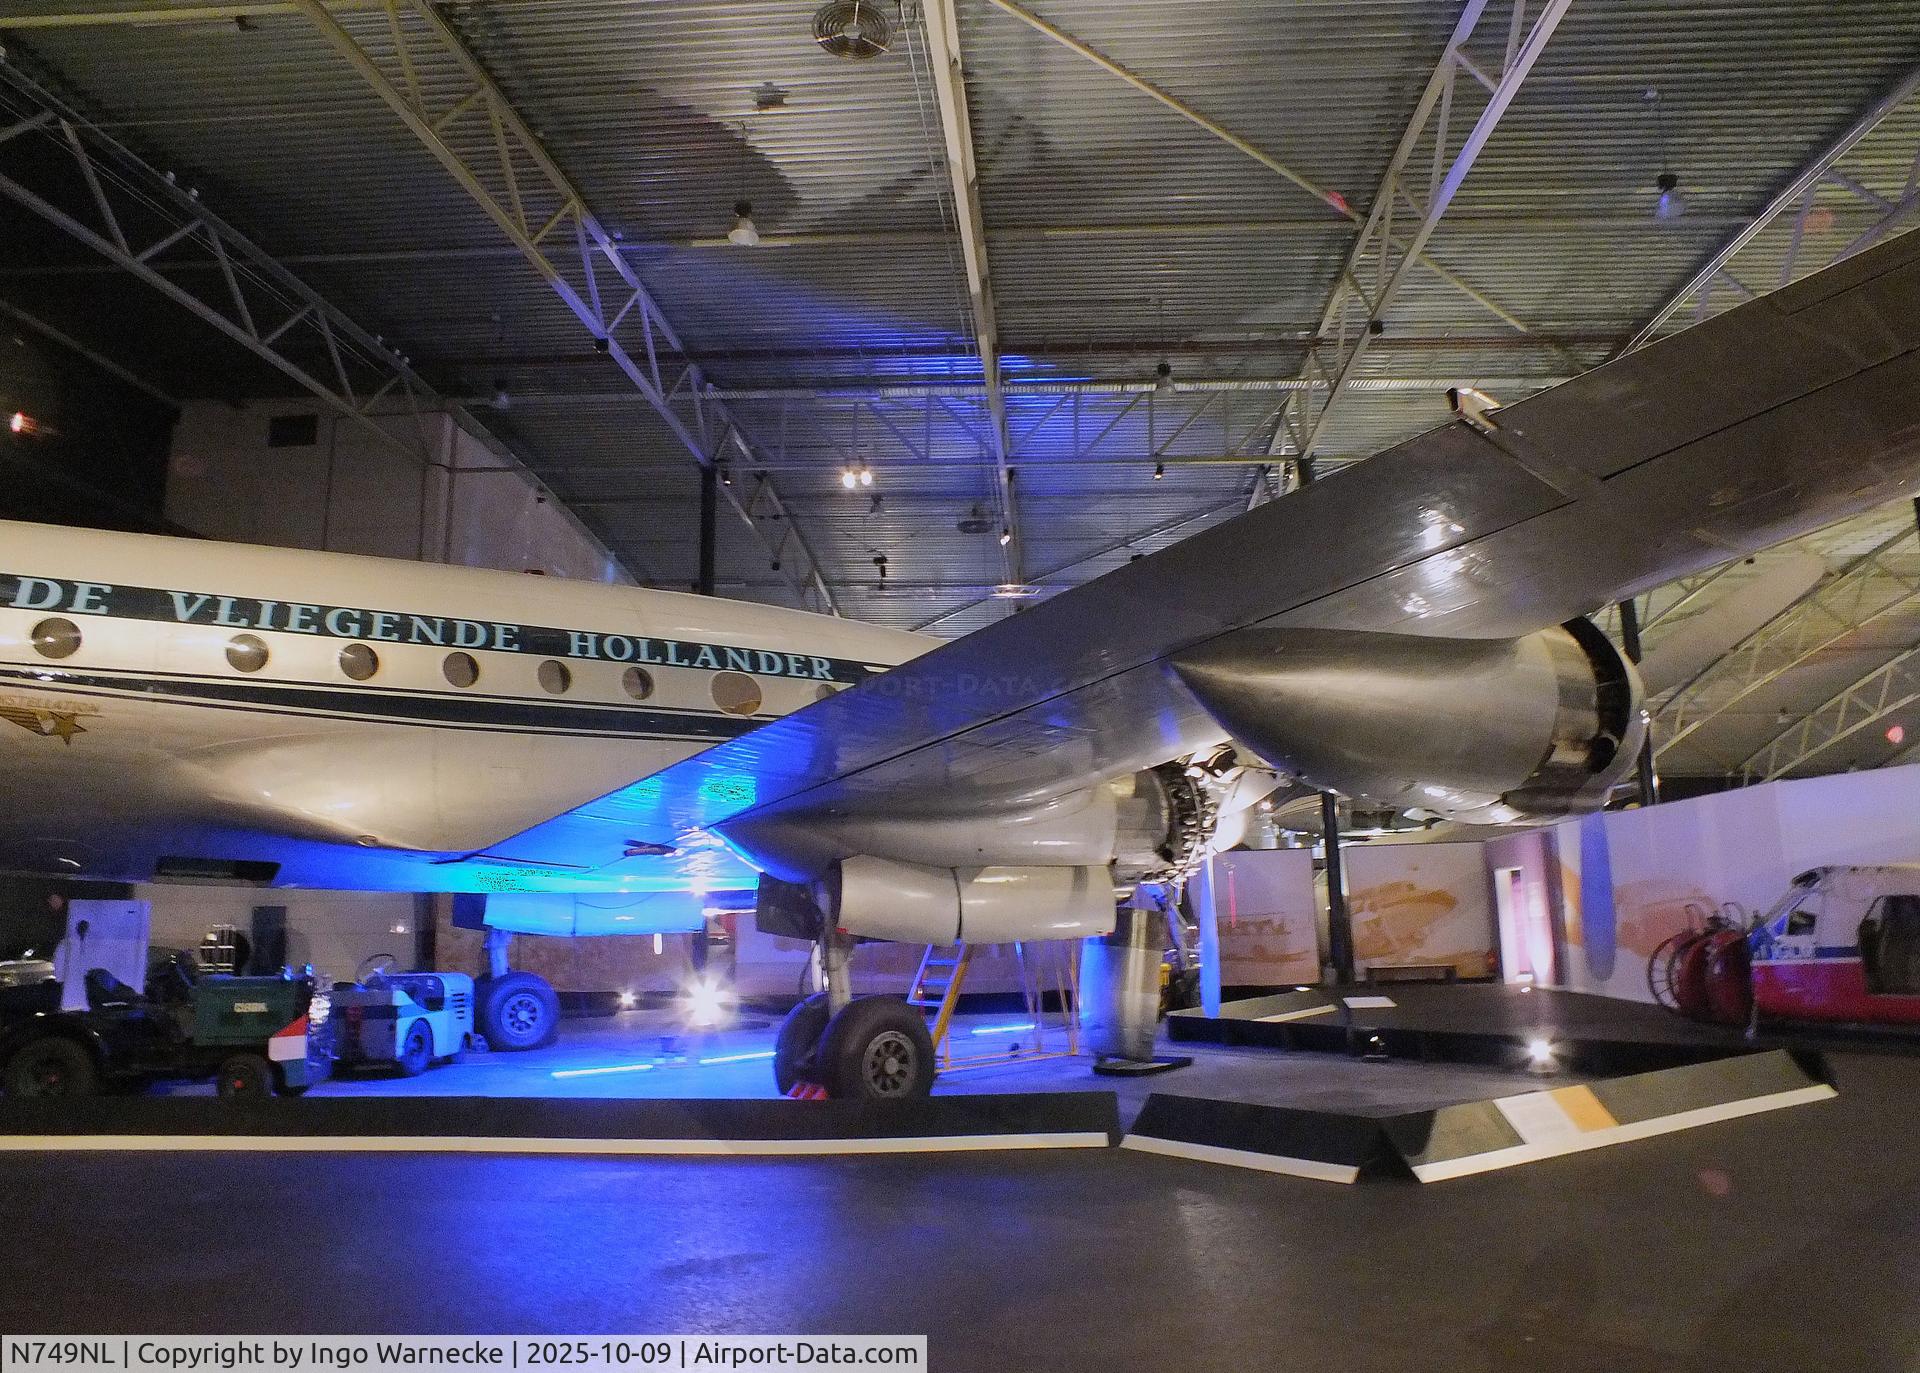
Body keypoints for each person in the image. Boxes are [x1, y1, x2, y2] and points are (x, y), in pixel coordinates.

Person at [53, 918, 90, 1013]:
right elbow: (59, 961)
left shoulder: (83, 943)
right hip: (69, 981)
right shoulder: (66, 944)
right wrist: (59, 977)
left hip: (79, 983)